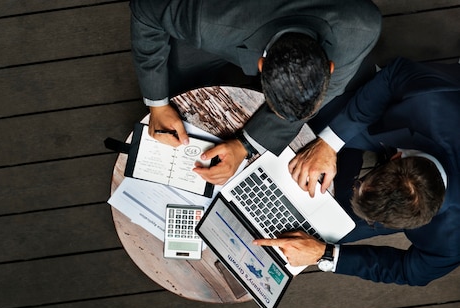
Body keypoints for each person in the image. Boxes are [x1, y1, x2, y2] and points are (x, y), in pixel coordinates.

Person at [254, 58, 460, 286]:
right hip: (408, 121)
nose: (356, 184)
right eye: (359, 183)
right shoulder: (430, 98)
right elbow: (393, 76)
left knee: (324, 230)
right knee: (304, 124)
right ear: (395, 157)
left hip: (411, 145)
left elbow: (410, 271)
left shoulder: (451, 242)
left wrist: (325, 254)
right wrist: (329, 143)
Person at [130, 0, 382, 185]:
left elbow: (329, 90)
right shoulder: (205, 20)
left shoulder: (361, 26)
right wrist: (158, 105)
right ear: (260, 68)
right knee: (181, 91)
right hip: (224, 26)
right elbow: (145, 10)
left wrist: (244, 146)